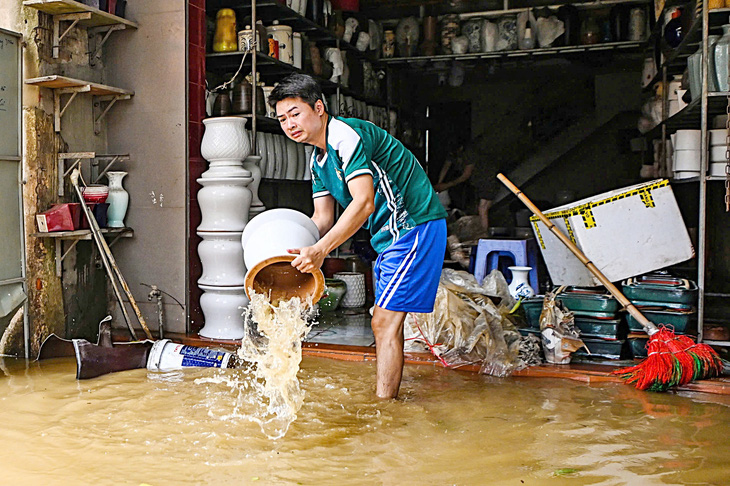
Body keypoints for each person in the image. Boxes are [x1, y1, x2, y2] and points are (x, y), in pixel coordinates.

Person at [268, 74, 447, 399]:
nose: (289, 124)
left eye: (295, 113)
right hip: (390, 237)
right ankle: (387, 399)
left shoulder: (345, 135)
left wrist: (321, 251)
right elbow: (321, 219)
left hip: (415, 224)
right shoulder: (318, 159)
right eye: (282, 119)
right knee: (385, 322)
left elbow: (364, 203)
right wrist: (285, 255)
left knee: (383, 322)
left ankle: (384, 409)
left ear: (319, 108)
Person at [434, 134, 497, 230]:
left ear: (461, 148)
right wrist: (440, 183)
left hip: (487, 180)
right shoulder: (453, 153)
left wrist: (446, 185)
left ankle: (484, 235)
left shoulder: (470, 153)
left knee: (482, 208)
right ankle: (479, 231)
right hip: (476, 183)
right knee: (477, 209)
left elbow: (465, 176)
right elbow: (446, 167)